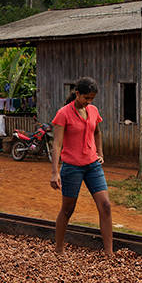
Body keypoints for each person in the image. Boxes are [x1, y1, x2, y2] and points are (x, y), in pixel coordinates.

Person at [49, 77, 114, 256]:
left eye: (92, 99)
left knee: (106, 205)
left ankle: (109, 253)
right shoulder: (64, 113)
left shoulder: (93, 110)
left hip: (93, 166)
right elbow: (57, 144)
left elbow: (97, 132)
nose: (89, 102)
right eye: (86, 98)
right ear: (77, 94)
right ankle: (59, 249)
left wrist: (100, 153)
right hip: (72, 167)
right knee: (68, 209)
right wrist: (55, 172)